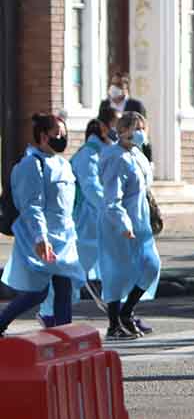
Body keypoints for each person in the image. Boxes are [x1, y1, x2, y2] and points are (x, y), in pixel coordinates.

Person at [0, 115, 86, 336]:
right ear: (43, 135)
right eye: (57, 133)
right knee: (37, 291)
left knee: (64, 287)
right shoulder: (31, 164)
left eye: (64, 134)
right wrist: (41, 237)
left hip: (63, 236)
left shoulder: (63, 164)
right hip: (39, 236)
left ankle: (64, 335)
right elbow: (31, 206)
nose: (62, 138)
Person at [98, 112, 161, 340]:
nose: (140, 133)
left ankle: (127, 311)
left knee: (151, 265)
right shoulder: (115, 157)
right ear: (123, 130)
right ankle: (114, 324)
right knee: (116, 271)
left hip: (140, 221)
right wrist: (123, 223)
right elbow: (112, 198)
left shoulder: (137, 154)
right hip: (119, 224)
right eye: (136, 128)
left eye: (143, 128)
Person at [70, 118, 110, 295]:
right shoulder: (89, 154)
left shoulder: (97, 153)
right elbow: (91, 187)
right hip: (87, 213)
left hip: (93, 212)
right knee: (87, 252)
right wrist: (109, 207)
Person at [99, 73, 151, 160]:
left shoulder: (136, 105)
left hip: (131, 153)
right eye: (112, 84)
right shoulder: (105, 105)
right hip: (109, 152)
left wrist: (148, 157)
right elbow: (101, 127)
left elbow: (144, 130)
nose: (114, 87)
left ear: (126, 86)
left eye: (118, 84)